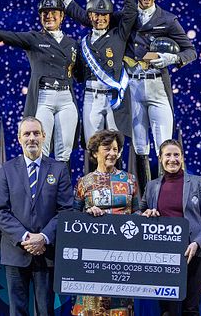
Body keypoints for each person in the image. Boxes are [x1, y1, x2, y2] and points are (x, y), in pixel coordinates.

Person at [0, 0, 79, 165]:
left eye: (53, 13)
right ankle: (41, 189)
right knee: (41, 147)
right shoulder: (33, 38)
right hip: (44, 98)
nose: (49, 16)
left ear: (62, 16)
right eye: (45, 13)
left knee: (65, 150)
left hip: (67, 99)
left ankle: (62, 190)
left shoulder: (72, 44)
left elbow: (80, 72)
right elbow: (4, 36)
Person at [52, 0, 137, 171]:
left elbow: (131, 12)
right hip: (91, 95)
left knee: (116, 143)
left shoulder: (119, 34)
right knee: (93, 144)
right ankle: (92, 188)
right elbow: (74, 10)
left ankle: (119, 186)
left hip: (114, 96)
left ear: (110, 17)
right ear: (90, 17)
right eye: (95, 15)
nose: (99, 19)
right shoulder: (85, 41)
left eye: (104, 15)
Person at [0, 117, 73, 316]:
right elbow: (0, 211)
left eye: (36, 133)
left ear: (44, 137)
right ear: (19, 138)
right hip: (16, 253)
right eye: (27, 134)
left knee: (46, 311)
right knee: (17, 311)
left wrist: (43, 237)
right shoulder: (7, 169)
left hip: (47, 253)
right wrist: (26, 238)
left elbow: (66, 210)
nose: (32, 138)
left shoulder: (59, 169)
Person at [125, 0, 197, 186]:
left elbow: (190, 51)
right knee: (139, 145)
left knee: (164, 144)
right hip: (134, 85)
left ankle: (167, 197)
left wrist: (173, 58)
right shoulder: (128, 18)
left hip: (158, 87)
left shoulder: (167, 19)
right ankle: (145, 199)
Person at [141, 139, 201, 316]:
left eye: (176, 155)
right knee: (168, 310)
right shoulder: (152, 186)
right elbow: (140, 211)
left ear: (182, 158)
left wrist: (197, 243)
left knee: (191, 309)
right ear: (160, 158)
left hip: (195, 254)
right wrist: (145, 214)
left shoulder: (198, 182)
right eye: (168, 155)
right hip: (164, 256)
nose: (172, 159)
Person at [71, 130, 139, 315]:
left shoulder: (130, 180)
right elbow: (73, 219)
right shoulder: (84, 183)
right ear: (95, 153)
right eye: (107, 149)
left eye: (115, 149)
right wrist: (87, 213)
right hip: (93, 255)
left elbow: (137, 212)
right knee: (91, 307)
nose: (112, 153)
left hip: (122, 254)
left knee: (120, 306)